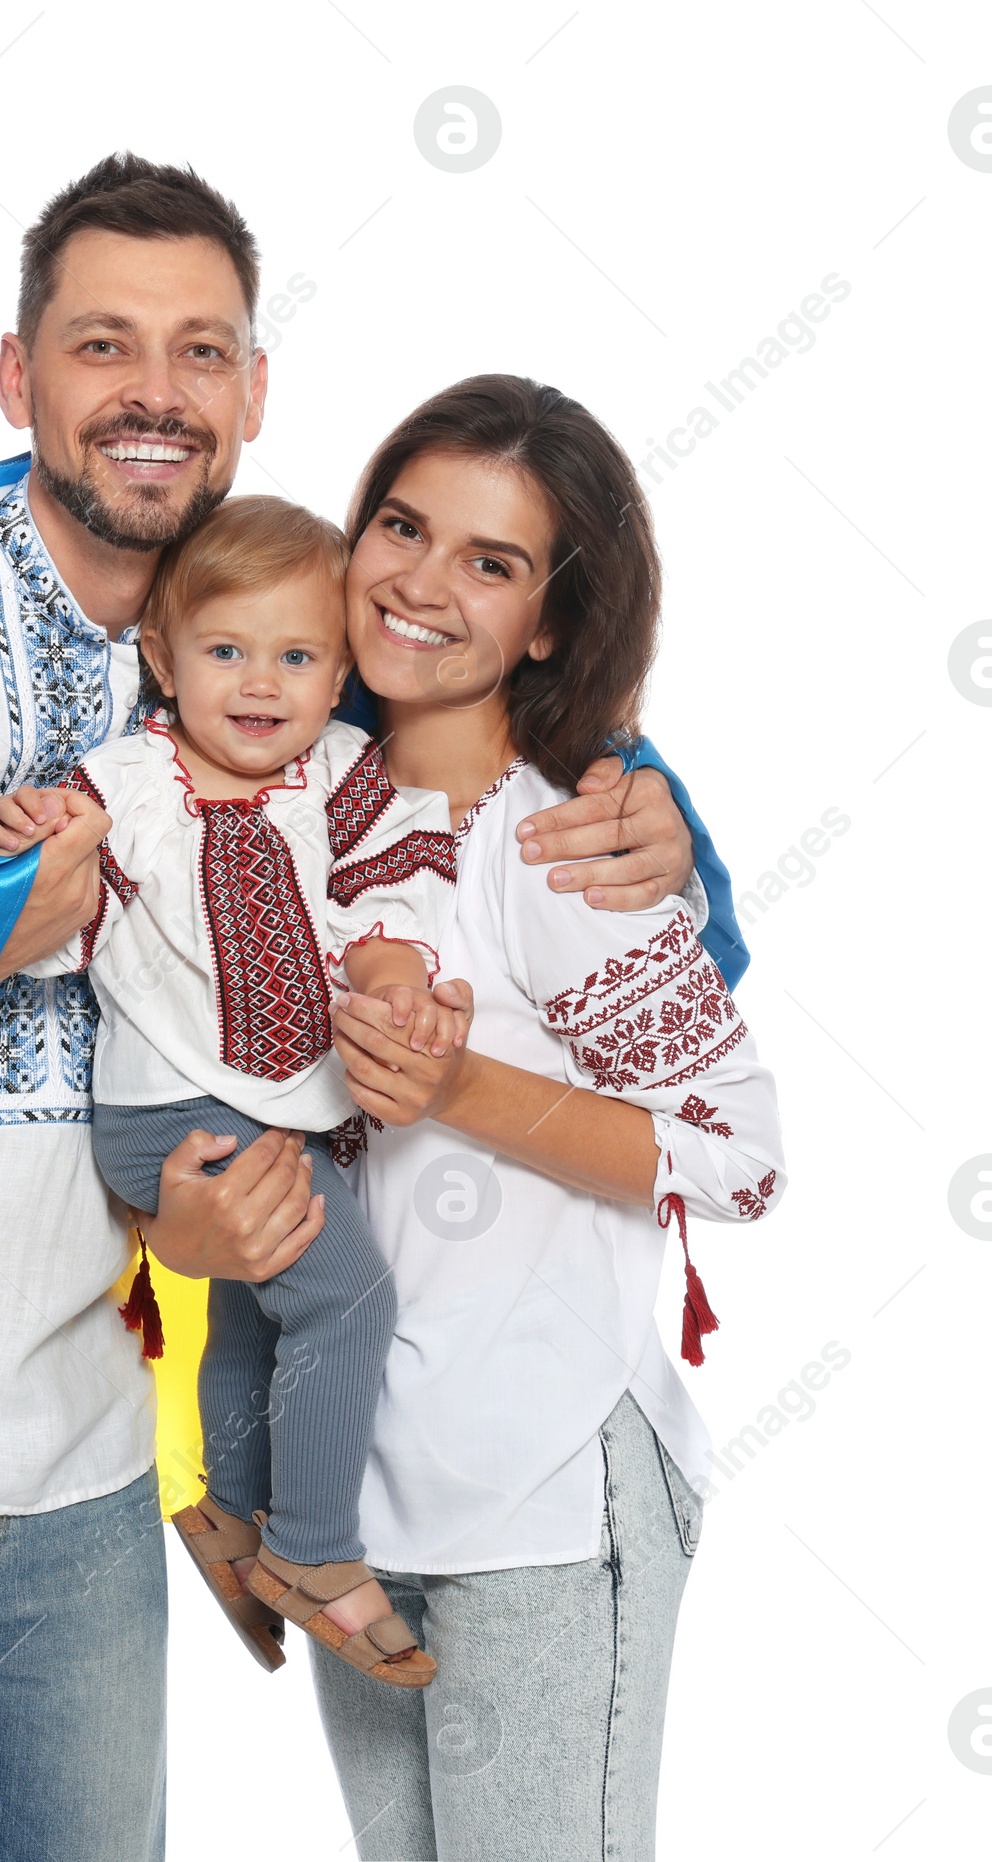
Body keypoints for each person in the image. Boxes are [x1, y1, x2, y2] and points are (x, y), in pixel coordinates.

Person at [0, 158, 717, 1862]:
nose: (155, 393)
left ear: (254, 391)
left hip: (73, 1466)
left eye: (202, 351)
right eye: (103, 346)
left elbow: (507, 736)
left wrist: (650, 804)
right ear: (20, 378)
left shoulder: (284, 625)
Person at [305, 375, 786, 1860]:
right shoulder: (289, 811)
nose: (421, 583)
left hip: (547, 1499)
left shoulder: (575, 843)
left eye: (491, 563)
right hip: (361, 1511)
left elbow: (737, 1149)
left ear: (552, 627)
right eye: (402, 524)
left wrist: (455, 1087)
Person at [0, 496, 457, 1688]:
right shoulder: (123, 785)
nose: (259, 682)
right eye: (225, 650)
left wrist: (391, 969)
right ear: (162, 656)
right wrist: (17, 835)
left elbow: (393, 881)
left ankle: (231, 1511)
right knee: (346, 1294)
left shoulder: (344, 772)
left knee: (262, 1305)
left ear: (339, 667)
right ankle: (316, 1552)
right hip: (167, 1109)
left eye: (295, 656)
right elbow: (42, 925)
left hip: (294, 1098)